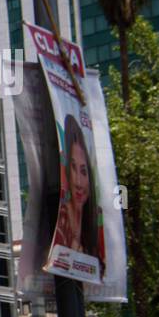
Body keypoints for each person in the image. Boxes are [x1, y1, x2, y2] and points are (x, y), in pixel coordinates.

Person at [50, 114, 103, 274]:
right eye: (73, 168)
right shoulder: (59, 227)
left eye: (83, 171)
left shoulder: (95, 232)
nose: (79, 182)